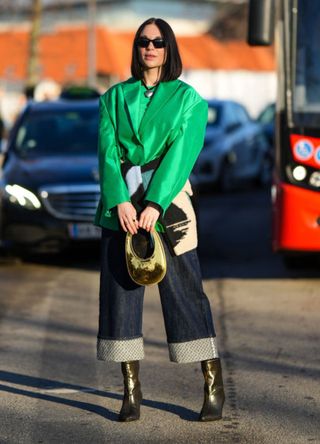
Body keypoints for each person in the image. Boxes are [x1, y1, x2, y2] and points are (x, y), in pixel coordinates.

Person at [95, 17, 225, 422]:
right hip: (122, 212)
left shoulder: (189, 99)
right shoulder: (113, 97)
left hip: (168, 208)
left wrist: (153, 202)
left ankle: (212, 383)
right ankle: (130, 392)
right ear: (135, 49)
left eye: (158, 41)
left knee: (185, 294)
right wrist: (120, 201)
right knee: (120, 300)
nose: (149, 47)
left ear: (169, 49)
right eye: (142, 41)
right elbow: (105, 152)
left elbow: (181, 155)